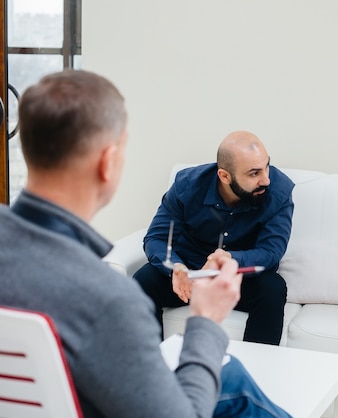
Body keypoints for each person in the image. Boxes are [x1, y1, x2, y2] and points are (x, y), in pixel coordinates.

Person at [0, 69, 291, 418]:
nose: (265, 178)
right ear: (109, 163)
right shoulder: (111, 302)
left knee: (237, 375)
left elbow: (272, 253)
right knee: (236, 385)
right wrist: (205, 323)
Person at [134, 130, 294, 345]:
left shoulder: (279, 191)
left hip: (238, 279)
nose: (266, 179)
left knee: (272, 288)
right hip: (190, 276)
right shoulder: (187, 186)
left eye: (266, 166)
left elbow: (271, 252)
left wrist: (230, 258)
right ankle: (150, 369)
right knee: (144, 280)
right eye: (254, 173)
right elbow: (156, 237)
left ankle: (257, 373)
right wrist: (176, 268)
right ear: (224, 176)